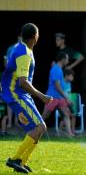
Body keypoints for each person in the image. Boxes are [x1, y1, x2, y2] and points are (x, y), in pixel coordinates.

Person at [1, 23, 53, 173]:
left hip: (20, 94)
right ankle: (15, 159)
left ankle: (22, 162)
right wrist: (41, 96)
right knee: (40, 127)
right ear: (35, 37)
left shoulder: (24, 49)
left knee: (38, 128)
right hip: (16, 94)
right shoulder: (23, 52)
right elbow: (23, 82)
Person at [42, 52, 74, 137]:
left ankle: (70, 134)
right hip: (53, 97)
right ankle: (35, 131)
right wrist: (67, 98)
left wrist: (65, 98)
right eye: (67, 58)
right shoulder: (56, 69)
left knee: (66, 114)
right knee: (44, 116)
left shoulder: (59, 69)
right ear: (63, 59)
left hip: (59, 98)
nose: (68, 60)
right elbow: (57, 86)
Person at [3, 35, 22, 129]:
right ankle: (10, 122)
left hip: (20, 78)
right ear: (18, 37)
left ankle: (16, 121)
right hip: (11, 78)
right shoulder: (11, 48)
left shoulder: (26, 49)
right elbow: (5, 62)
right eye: (21, 37)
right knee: (10, 99)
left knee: (19, 99)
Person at [59, 68, 76, 134]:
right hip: (61, 102)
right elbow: (61, 94)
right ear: (66, 75)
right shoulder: (61, 83)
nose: (72, 78)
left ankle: (72, 130)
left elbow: (68, 94)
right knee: (66, 114)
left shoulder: (69, 84)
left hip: (67, 102)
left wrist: (71, 101)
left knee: (73, 114)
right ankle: (62, 131)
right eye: (71, 76)